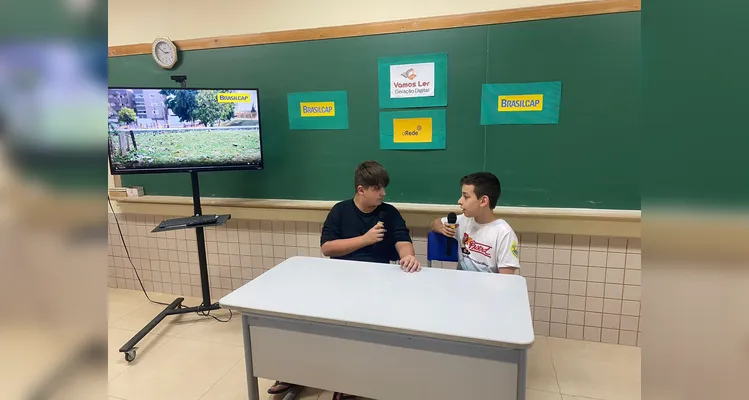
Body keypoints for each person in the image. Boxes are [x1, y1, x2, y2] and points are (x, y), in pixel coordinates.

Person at [267, 160, 420, 400]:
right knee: (304, 318)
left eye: (384, 187)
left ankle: (351, 381)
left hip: (378, 281)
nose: (383, 193)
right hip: (340, 279)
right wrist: (365, 239)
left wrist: (408, 255)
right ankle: (293, 371)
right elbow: (327, 247)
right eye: (377, 188)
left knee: (365, 328)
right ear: (361, 189)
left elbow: (401, 238)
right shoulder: (340, 210)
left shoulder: (388, 212)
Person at [430, 172, 520, 274]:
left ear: (483, 201)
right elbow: (435, 223)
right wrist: (441, 228)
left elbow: (506, 278)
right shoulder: (462, 220)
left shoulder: (504, 233)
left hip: (488, 288)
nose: (459, 201)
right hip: (462, 283)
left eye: (466, 197)